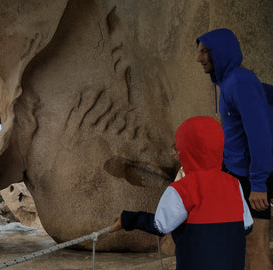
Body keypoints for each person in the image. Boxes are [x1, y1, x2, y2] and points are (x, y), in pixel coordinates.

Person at [109, 116, 253, 270]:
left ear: (186, 151)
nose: (174, 153)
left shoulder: (181, 188)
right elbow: (247, 226)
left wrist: (127, 219)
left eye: (177, 148)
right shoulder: (233, 184)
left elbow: (160, 225)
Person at [196, 28, 273, 269]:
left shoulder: (240, 81)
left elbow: (259, 134)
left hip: (252, 179)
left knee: (255, 246)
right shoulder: (231, 82)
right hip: (238, 175)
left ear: (221, 52)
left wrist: (259, 183)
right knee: (242, 246)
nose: (199, 58)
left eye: (205, 51)